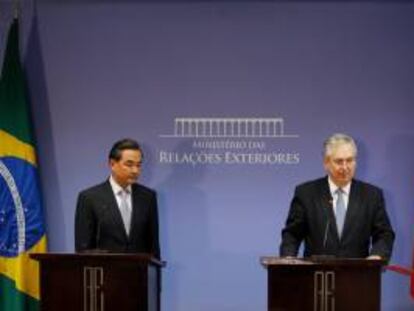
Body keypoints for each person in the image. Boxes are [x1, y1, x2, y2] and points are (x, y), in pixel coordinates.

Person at [279, 133, 394, 260]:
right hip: (316, 275)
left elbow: (384, 234)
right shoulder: (306, 193)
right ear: (326, 163)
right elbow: (292, 234)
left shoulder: (371, 195)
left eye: (349, 160)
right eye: (339, 161)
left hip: (358, 275)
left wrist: (376, 256)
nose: (345, 167)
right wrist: (288, 259)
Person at [75, 138, 160, 258]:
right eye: (129, 164)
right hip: (104, 273)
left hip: (139, 273)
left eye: (138, 165)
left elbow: (153, 247)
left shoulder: (148, 197)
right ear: (112, 164)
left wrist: (156, 275)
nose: (135, 170)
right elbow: (83, 249)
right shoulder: (89, 198)